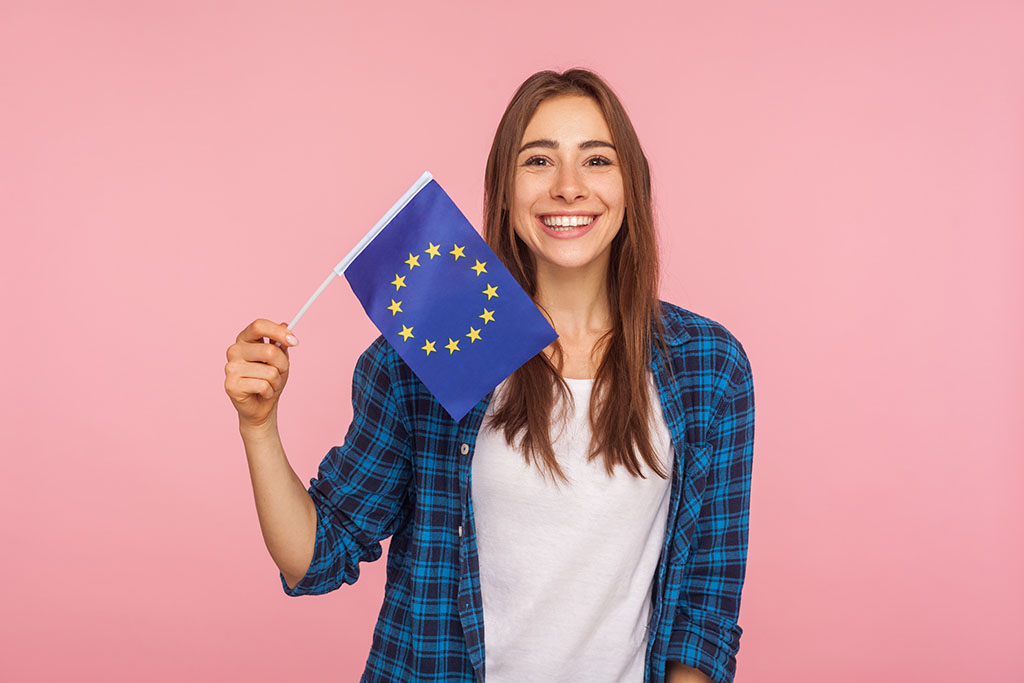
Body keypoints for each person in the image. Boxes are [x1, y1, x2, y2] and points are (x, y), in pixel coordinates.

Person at [224, 68, 755, 683]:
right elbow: (317, 557)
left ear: (630, 187)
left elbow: (704, 604)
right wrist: (258, 428)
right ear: (503, 190)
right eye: (538, 161)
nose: (567, 187)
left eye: (596, 160)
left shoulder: (707, 366)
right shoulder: (428, 353)